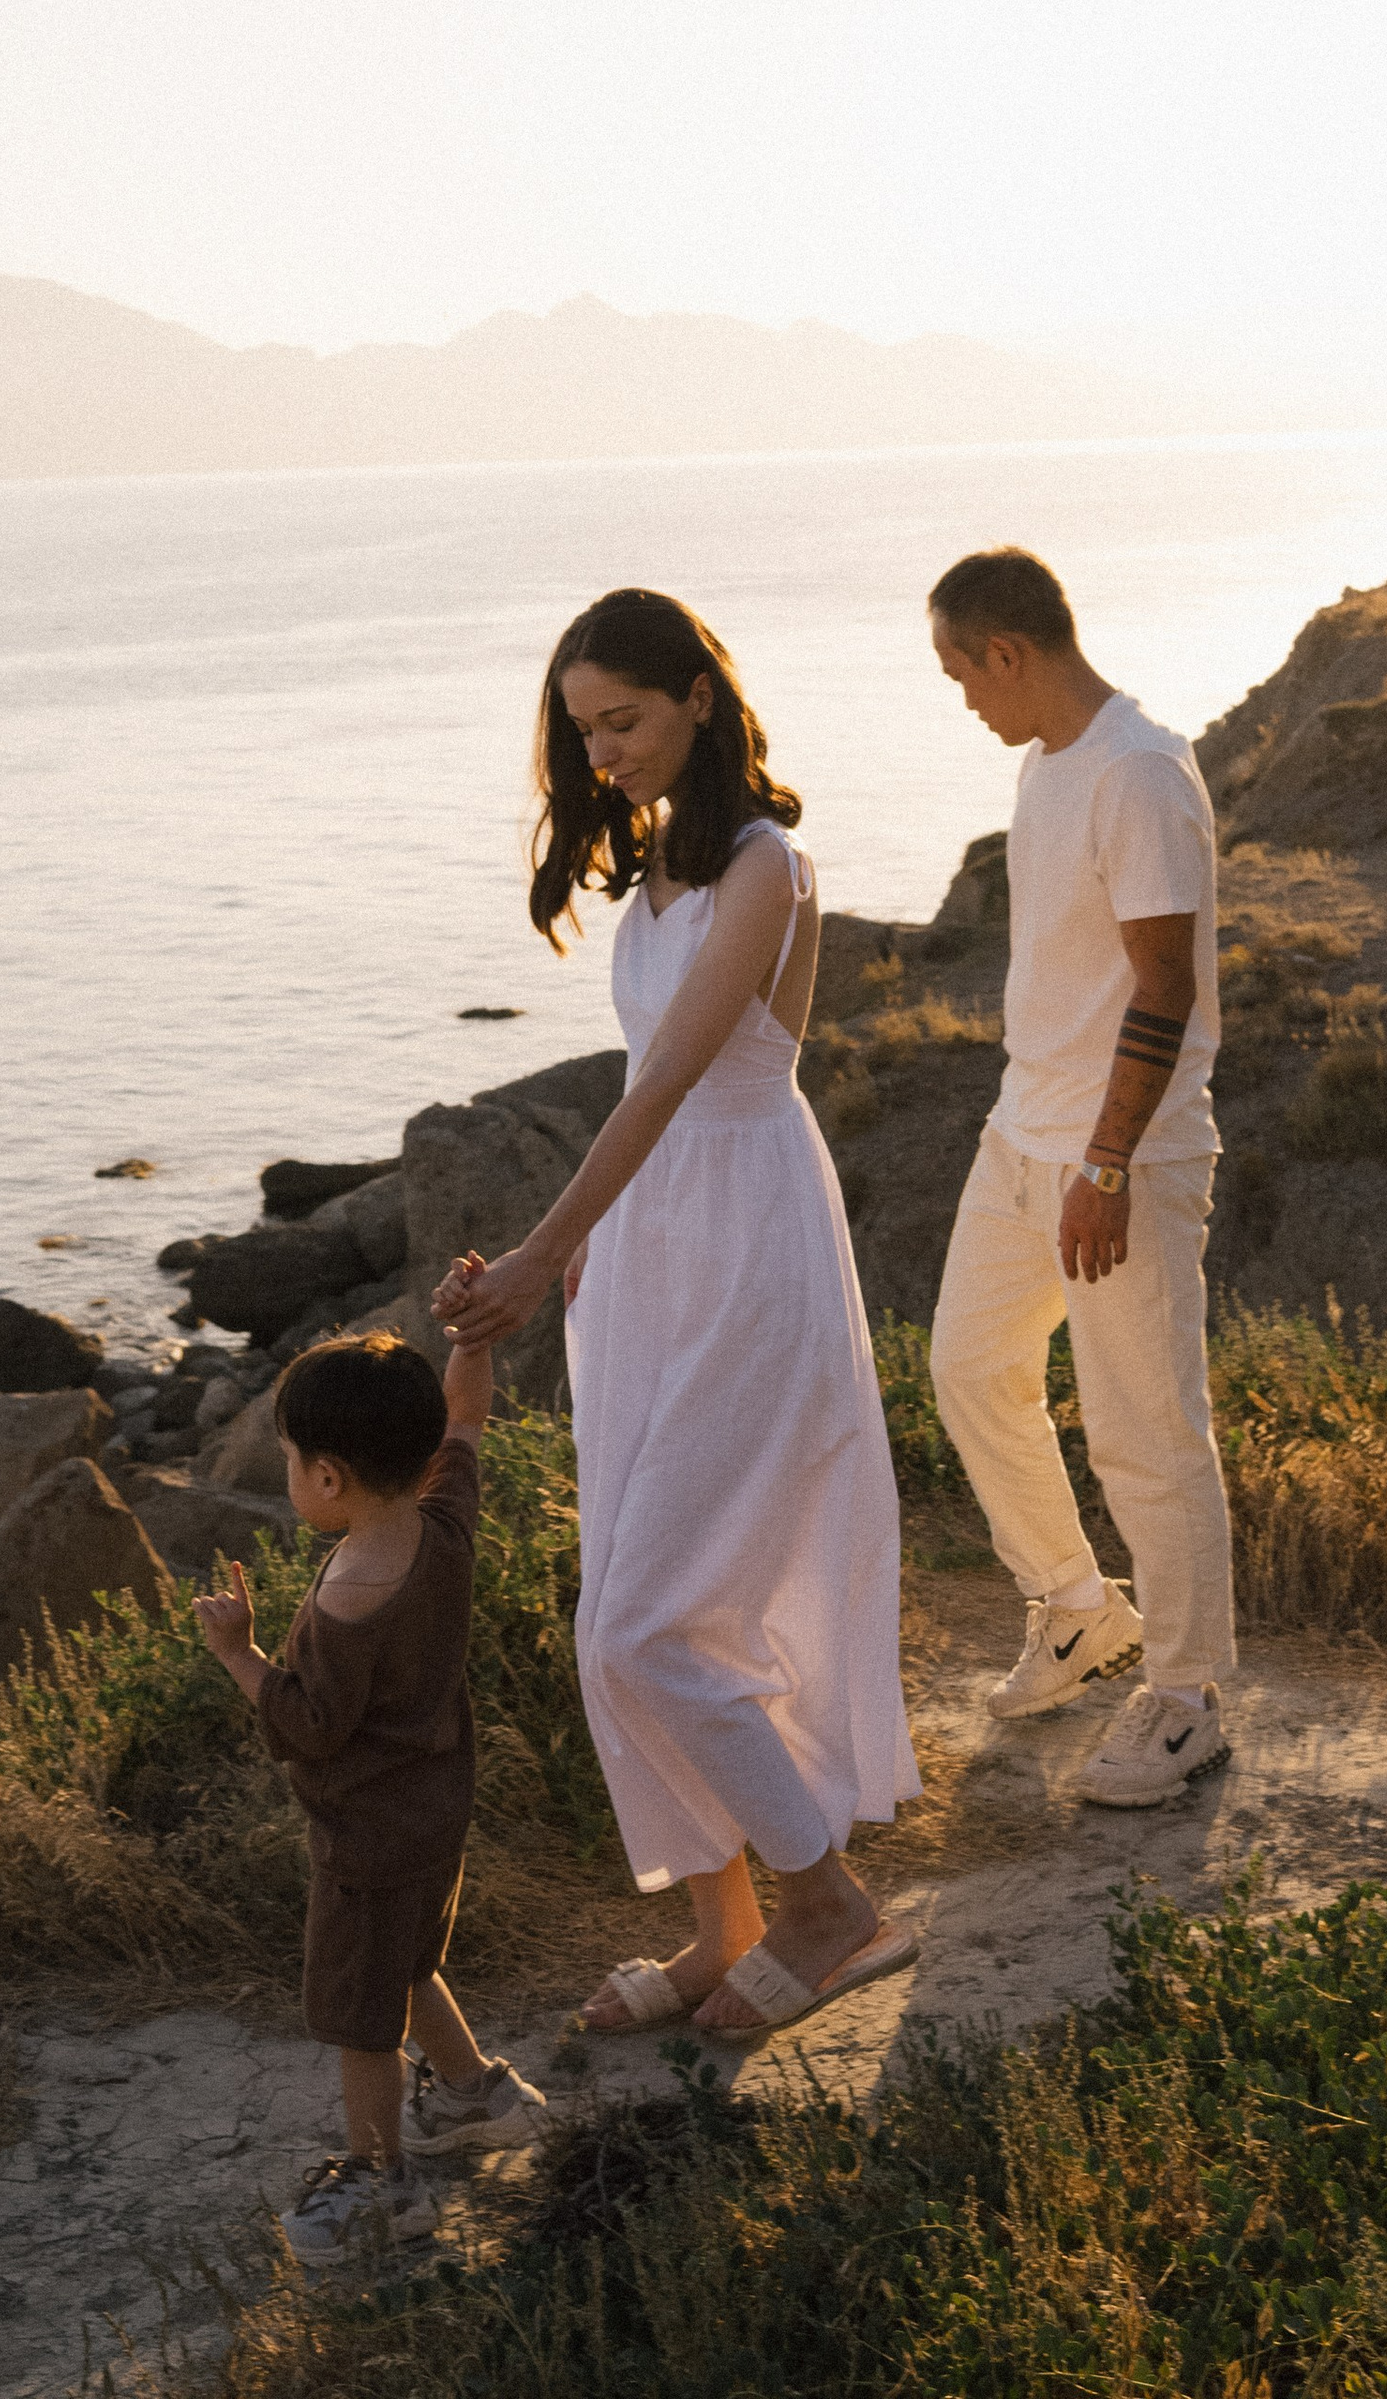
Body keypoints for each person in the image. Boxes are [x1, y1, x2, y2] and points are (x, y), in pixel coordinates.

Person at [433, 588, 919, 2039]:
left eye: (624, 721)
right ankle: (727, 1929)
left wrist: (535, 1248)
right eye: (582, 732)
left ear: (699, 697)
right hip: (649, 1257)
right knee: (616, 1626)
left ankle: (831, 1900)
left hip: (751, 1243)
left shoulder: (769, 869)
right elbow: (648, 1098)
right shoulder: (646, 872)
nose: (603, 755)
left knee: (648, 1617)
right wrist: (592, 1252)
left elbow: (672, 1089)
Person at [924, 546, 1234, 1809]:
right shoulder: (1042, 768)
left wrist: (1105, 1160)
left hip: (1124, 1155)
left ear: (1008, 652)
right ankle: (1073, 1606)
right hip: (1021, 1135)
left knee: (1146, 1431)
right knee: (966, 1366)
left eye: (960, 673)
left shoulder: (1141, 772)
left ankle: (1185, 1697)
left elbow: (1166, 983)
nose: (963, 700)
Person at [191, 1328, 548, 2267]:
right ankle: (476, 2096)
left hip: (368, 1838)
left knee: (361, 2016)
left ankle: (377, 2184)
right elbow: (466, 1419)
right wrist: (472, 1338)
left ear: (331, 1478)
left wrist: (240, 1653)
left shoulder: (349, 1600)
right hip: (436, 1812)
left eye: (290, 1460)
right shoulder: (444, 1519)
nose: (289, 1474)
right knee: (409, 1959)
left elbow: (308, 1726)